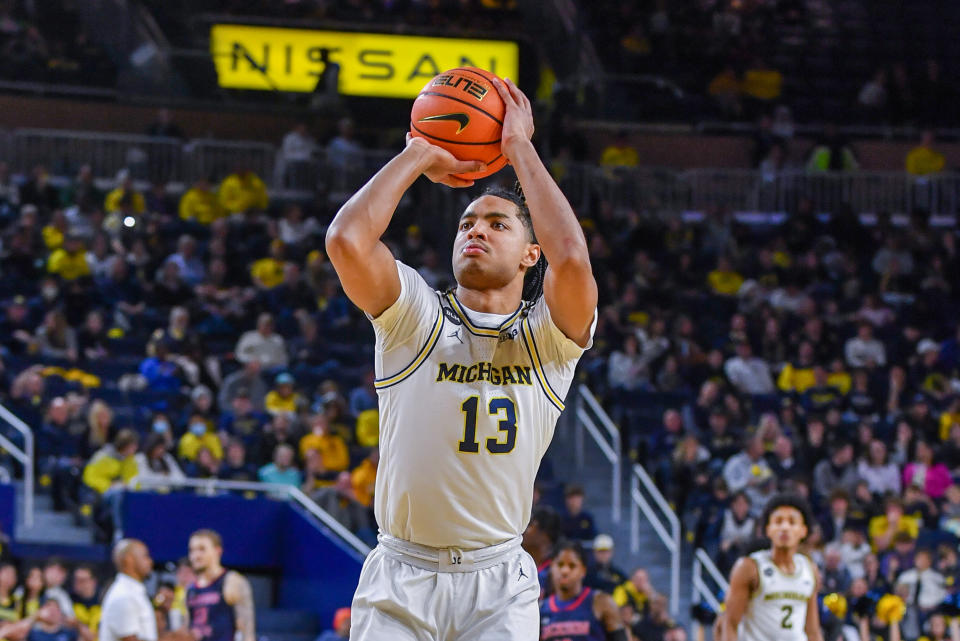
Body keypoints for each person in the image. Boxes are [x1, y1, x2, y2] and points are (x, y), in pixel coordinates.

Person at [325, 76, 596, 640]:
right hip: (401, 573)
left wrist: (519, 148)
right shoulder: (415, 317)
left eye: (498, 224)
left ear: (530, 254)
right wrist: (418, 151)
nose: (476, 231)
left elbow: (571, 260)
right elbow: (347, 240)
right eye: (466, 222)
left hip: (497, 582)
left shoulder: (548, 336)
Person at [720, 493, 823, 641]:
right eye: (778, 521)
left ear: (803, 531)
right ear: (768, 529)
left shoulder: (810, 569)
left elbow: (812, 631)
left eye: (792, 522)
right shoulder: (749, 567)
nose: (785, 527)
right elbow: (730, 623)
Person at [100, 539, 187, 641]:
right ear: (129, 560)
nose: (150, 561)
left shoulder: (133, 592)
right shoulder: (123, 595)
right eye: (145, 556)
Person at [539, 541, 625, 641]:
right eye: (560, 564)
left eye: (572, 566)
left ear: (583, 570)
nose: (565, 571)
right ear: (552, 568)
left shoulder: (601, 602)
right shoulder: (541, 609)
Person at [186, 529, 255, 641]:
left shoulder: (232, 581)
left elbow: (247, 632)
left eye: (202, 549)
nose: (195, 556)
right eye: (192, 550)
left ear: (217, 551)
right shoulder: (190, 589)